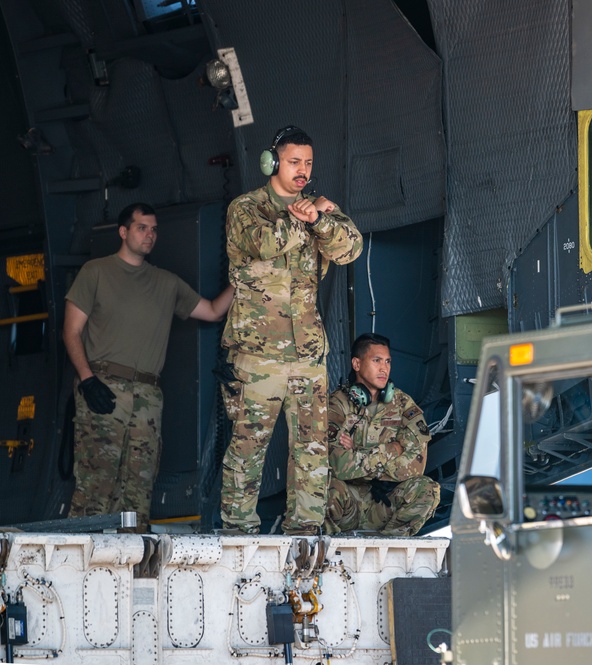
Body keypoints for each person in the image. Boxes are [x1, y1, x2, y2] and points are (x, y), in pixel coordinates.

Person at [219, 126, 363, 535]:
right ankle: (238, 533)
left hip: (307, 356)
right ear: (272, 162)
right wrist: (305, 218)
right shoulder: (245, 208)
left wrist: (319, 217)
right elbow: (264, 244)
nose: (303, 171)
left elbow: (350, 247)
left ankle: (305, 533)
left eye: (309, 163)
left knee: (313, 451)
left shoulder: (315, 210)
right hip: (258, 355)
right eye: (294, 162)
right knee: (249, 447)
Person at [64, 202, 235, 531]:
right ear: (124, 232)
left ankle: (131, 562)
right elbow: (71, 331)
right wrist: (87, 380)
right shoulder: (96, 272)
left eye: (154, 229)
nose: (150, 235)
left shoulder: (166, 282)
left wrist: (243, 280)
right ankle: (77, 556)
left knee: (139, 488)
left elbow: (213, 311)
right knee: (96, 484)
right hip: (103, 385)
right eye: (142, 228)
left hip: (147, 395)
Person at [326, 333, 440, 536]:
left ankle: (390, 548)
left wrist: (358, 455)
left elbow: (414, 467)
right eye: (376, 360)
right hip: (348, 503)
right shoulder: (338, 404)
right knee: (323, 485)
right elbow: (339, 466)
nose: (384, 368)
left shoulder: (403, 404)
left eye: (387, 361)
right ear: (357, 364)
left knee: (427, 489)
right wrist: (393, 449)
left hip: (384, 504)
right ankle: (331, 551)